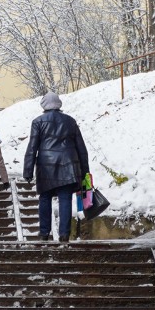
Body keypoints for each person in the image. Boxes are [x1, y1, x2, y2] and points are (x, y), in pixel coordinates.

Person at [23, 92, 89, 242]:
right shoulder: (70, 121)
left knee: (44, 198)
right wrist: (85, 171)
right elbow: (81, 148)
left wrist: (28, 170)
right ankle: (64, 234)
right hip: (68, 166)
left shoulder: (38, 122)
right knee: (65, 198)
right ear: (58, 104)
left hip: (46, 167)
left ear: (44, 105)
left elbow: (32, 147)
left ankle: (44, 233)